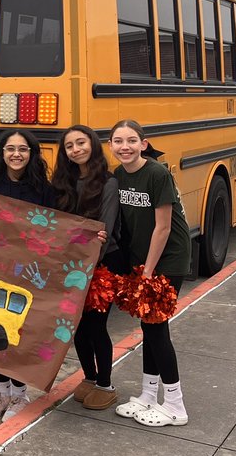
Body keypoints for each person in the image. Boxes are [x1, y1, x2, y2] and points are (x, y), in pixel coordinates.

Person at [109, 119, 191, 427]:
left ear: (144, 144)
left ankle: (175, 405)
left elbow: (163, 227)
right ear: (111, 146)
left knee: (156, 328)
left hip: (168, 260)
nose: (124, 146)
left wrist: (148, 272)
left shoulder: (156, 174)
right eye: (118, 141)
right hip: (144, 262)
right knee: (148, 328)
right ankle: (148, 395)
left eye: (131, 140)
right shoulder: (119, 175)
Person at [0, 129, 56, 422]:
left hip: (27, 275)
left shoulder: (43, 189)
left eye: (23, 149)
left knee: (18, 333)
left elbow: (58, 228)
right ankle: (2, 393)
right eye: (10, 149)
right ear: (1, 153)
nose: (16, 154)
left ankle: (20, 395)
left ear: (32, 154)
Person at [50, 126, 125, 411]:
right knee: (77, 328)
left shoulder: (108, 183)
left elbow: (103, 231)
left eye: (81, 142)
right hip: (72, 264)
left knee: (96, 326)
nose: (76, 149)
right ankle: (90, 377)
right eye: (70, 146)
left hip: (101, 263)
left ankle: (106, 384)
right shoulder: (62, 183)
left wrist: (87, 264)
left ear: (92, 144)